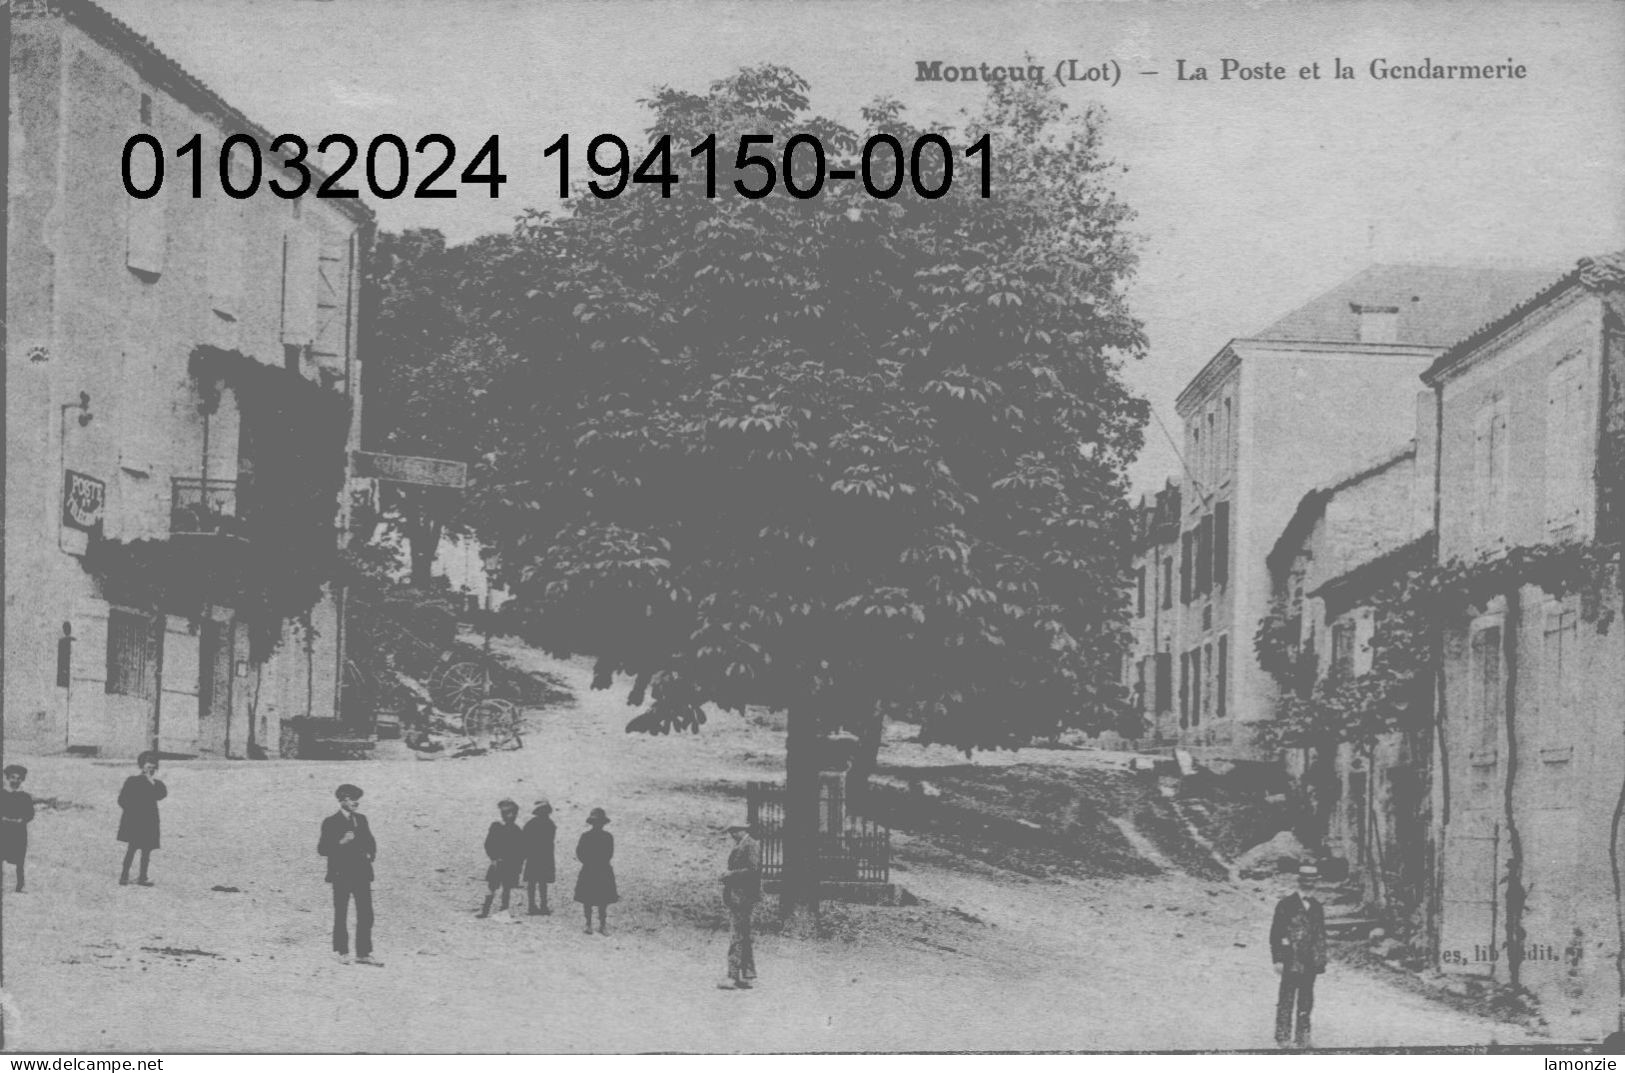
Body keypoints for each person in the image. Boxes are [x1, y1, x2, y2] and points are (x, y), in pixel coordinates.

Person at [318, 783, 380, 965]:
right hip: (341, 874)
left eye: (357, 800)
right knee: (341, 913)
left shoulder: (361, 819)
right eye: (352, 799)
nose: (356, 803)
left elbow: (371, 841)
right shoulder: (330, 822)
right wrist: (341, 842)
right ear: (342, 799)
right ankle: (341, 952)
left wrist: (370, 853)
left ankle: (363, 953)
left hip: (361, 873)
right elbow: (322, 849)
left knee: (366, 914)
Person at [1271, 863, 1328, 1048]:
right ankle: (1283, 1037)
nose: (1309, 883)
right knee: (1286, 999)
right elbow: (1276, 934)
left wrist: (1320, 959)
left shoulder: (1317, 907)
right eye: (1306, 880)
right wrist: (1278, 959)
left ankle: (1303, 1037)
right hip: (1291, 960)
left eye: (1313, 880)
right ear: (1299, 881)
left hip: (1309, 961)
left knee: (1306, 1000)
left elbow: (1320, 935)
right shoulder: (1286, 904)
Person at [717, 822, 761, 990]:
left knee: (737, 937)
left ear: (743, 830)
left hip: (743, 897)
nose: (732, 835)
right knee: (743, 936)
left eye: (734, 831)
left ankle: (733, 976)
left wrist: (730, 875)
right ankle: (746, 975)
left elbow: (753, 870)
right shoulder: (744, 845)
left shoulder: (750, 845)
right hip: (739, 897)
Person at [117, 752, 167, 886]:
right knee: (132, 849)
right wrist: (132, 811)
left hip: (150, 821)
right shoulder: (133, 781)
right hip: (136, 821)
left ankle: (142, 877)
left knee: (146, 851)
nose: (150, 769)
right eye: (148, 766)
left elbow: (161, 795)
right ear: (142, 766)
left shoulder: (156, 783)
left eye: (153, 767)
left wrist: (152, 783)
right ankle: (124, 876)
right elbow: (122, 799)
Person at [574, 807, 617, 934]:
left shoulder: (608, 837)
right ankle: (588, 924)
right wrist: (588, 861)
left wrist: (597, 861)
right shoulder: (585, 836)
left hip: (601, 868)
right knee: (587, 899)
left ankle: (602, 924)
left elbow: (609, 853)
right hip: (590, 868)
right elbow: (580, 852)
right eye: (595, 822)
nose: (597, 825)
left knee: (602, 899)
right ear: (592, 823)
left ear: (603, 823)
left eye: (599, 822)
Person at [479, 799, 525, 918]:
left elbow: (520, 850)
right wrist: (493, 858)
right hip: (497, 862)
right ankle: (485, 910)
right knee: (492, 887)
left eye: (513, 813)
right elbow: (489, 844)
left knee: (506, 889)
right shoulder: (496, 827)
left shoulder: (516, 830)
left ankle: (503, 911)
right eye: (508, 813)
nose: (511, 816)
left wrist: (518, 865)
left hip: (510, 864)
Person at [1, 765, 36, 893]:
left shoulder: (25, 797)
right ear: (7, 778)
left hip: (19, 832)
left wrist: (22, 820)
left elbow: (30, 814)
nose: (15, 781)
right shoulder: (2, 794)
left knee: (19, 859)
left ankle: (20, 885)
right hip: (3, 831)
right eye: (12, 778)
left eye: (18, 778)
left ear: (22, 780)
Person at [522, 799, 557, 916]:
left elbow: (525, 839)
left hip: (535, 856)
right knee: (540, 882)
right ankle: (539, 906)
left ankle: (535, 906)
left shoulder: (532, 823)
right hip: (542, 856)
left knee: (536, 882)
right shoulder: (550, 824)